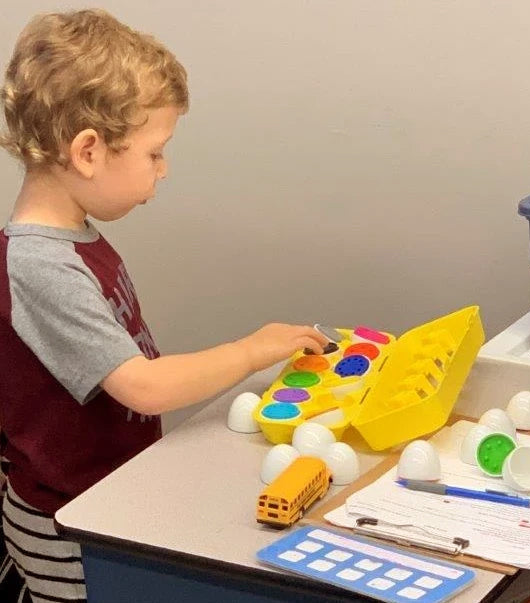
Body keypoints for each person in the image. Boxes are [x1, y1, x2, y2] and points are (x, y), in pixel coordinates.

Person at [0, 9, 328, 602]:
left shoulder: (73, 238)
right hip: (65, 524)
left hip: (103, 496)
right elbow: (143, 386)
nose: (163, 170)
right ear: (88, 152)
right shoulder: (40, 265)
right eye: (155, 152)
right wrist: (250, 351)